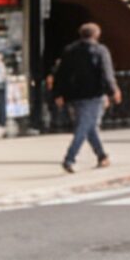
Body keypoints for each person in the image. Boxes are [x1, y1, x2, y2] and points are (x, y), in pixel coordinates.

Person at [47, 21, 121, 174]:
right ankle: (69, 158)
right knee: (83, 128)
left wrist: (58, 93)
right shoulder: (100, 51)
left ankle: (102, 156)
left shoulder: (69, 50)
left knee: (89, 127)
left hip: (74, 95)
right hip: (93, 95)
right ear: (96, 35)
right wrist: (113, 90)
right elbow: (106, 73)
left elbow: (61, 74)